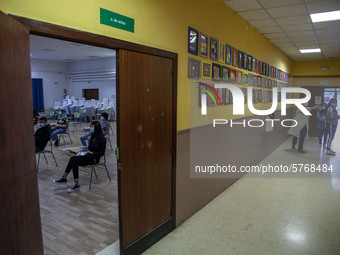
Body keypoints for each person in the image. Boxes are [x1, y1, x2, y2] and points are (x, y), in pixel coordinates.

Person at [53, 121, 106, 192]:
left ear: (96, 127)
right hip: (88, 155)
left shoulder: (102, 138)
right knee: (74, 159)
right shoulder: (92, 136)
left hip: (94, 158)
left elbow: (101, 153)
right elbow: (90, 148)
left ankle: (65, 178)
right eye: (90, 126)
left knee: (73, 160)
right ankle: (73, 182)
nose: (90, 128)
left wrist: (91, 152)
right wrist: (85, 150)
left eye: (92, 127)